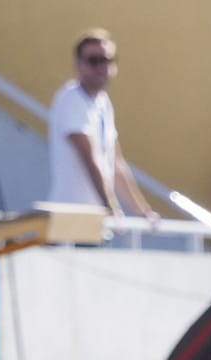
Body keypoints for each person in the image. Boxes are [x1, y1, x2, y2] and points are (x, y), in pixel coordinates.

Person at [47, 29, 157, 218]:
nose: (101, 67)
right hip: (71, 218)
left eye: (106, 60)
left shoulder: (103, 103)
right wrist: (111, 207)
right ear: (78, 65)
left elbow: (116, 163)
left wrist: (143, 211)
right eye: (93, 61)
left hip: (95, 220)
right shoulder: (71, 99)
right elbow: (89, 158)